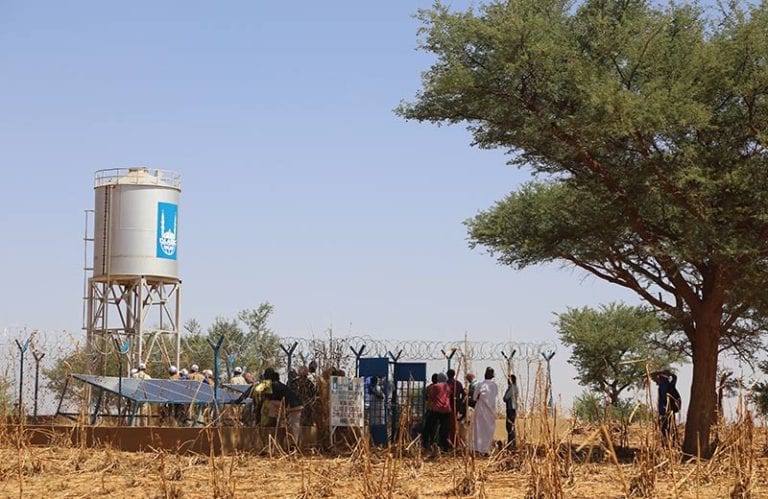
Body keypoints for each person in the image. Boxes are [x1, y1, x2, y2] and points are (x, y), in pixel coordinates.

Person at [269, 371, 304, 448]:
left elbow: (276, 400)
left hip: (293, 406)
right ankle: (294, 444)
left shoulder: (274, 386)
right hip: (295, 405)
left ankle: (294, 445)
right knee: (294, 425)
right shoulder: (281, 385)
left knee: (294, 425)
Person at [470, 367, 499, 456]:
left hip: (480, 409)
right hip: (490, 411)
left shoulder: (480, 384)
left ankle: (478, 449)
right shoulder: (494, 385)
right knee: (488, 430)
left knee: (479, 430)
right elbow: (495, 395)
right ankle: (486, 449)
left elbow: (474, 397)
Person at [652, 370, 681, 442]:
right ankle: (672, 440)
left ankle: (669, 441)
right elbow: (674, 377)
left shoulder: (664, 386)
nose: (656, 383)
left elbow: (662, 401)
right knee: (670, 425)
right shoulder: (669, 384)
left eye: (656, 380)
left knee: (666, 426)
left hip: (668, 409)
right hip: (671, 409)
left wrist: (662, 412)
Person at [446, 369, 465, 445]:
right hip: (456, 405)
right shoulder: (458, 383)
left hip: (448, 406)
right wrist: (460, 401)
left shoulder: (446, 384)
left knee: (449, 424)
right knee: (454, 424)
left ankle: (452, 441)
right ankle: (455, 442)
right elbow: (463, 394)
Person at [503, 374, 519, 448]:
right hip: (512, 408)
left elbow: (506, 397)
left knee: (509, 426)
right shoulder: (515, 387)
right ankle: (512, 443)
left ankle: (511, 444)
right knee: (511, 426)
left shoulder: (512, 388)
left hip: (511, 408)